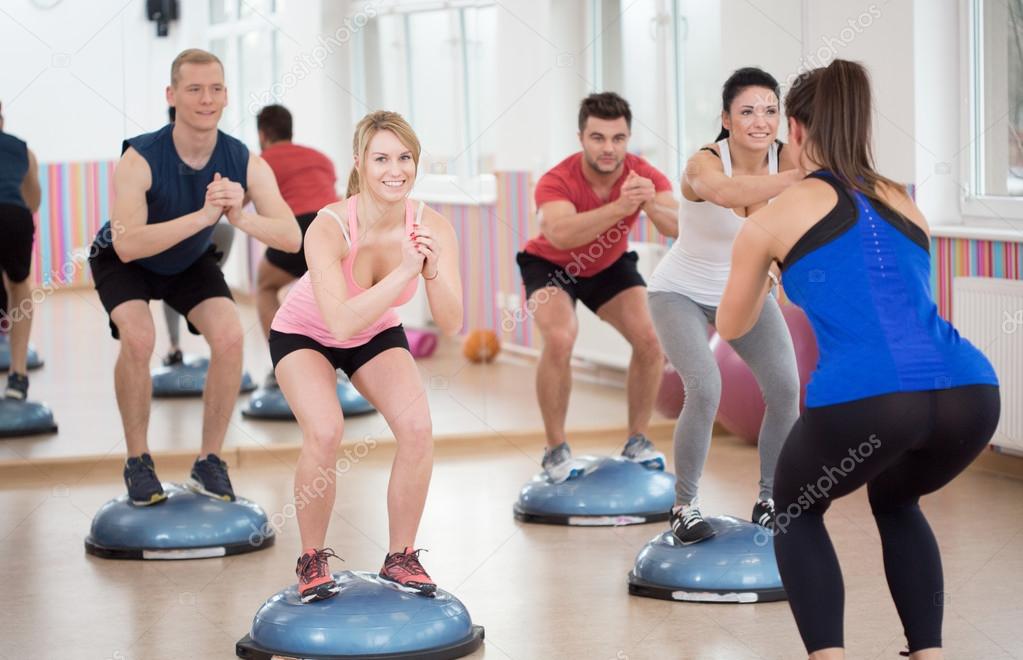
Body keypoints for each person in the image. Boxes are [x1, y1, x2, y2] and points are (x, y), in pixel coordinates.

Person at [716, 60, 1000, 659]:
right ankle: (930, 653)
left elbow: (731, 325)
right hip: (970, 391)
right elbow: (904, 301)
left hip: (873, 396)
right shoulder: (904, 198)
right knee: (896, 499)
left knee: (794, 510)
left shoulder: (774, 216)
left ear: (794, 130)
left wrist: (770, 272)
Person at [88, 49, 301, 506]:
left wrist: (240, 219)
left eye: (216, 89)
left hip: (187, 260)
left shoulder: (243, 160)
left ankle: (209, 462)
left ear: (226, 96)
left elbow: (291, 237)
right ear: (172, 95)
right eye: (195, 89)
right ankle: (138, 461)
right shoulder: (140, 158)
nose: (207, 99)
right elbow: (127, 243)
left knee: (229, 337)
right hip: (125, 261)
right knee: (140, 338)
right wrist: (204, 215)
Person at [270, 111, 462, 601]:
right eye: (381, 158)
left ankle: (401, 557)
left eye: (404, 158)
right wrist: (404, 273)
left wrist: (432, 269)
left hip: (374, 331)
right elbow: (339, 323)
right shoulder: (329, 227)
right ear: (359, 163)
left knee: (418, 429)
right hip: (305, 332)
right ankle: (311, 558)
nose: (394, 170)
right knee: (326, 429)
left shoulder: (431, 223)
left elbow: (453, 322)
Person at [646, 67, 804, 544]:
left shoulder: (788, 158)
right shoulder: (704, 164)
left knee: (785, 391)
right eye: (748, 111)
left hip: (748, 293)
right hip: (680, 293)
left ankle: (770, 498)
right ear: (726, 118)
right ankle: (684, 506)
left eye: (771, 111)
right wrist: (806, 178)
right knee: (705, 387)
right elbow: (729, 195)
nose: (761, 121)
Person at [517, 92, 678, 483]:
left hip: (608, 264)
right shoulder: (557, 179)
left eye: (618, 138)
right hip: (552, 264)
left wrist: (651, 204)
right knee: (559, 338)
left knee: (651, 340)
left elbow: (676, 227)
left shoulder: (643, 174)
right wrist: (621, 209)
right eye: (598, 138)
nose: (609, 148)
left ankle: (637, 440)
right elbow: (559, 234)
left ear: (628, 139)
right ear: (581, 138)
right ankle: (555, 450)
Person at [255, 104, 339, 388]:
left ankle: (284, 363)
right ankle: (333, 363)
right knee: (324, 290)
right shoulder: (321, 158)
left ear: (263, 134)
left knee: (265, 287)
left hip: (299, 228)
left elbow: (239, 201)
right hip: (334, 229)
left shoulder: (262, 161)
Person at [160, 104, 236, 368]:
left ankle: (181, 336)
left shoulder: (211, 151)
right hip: (181, 236)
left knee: (185, 279)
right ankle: (176, 344)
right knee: (176, 279)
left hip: (204, 234)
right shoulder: (161, 154)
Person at [0, 101, 42, 400]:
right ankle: (18, 377)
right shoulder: (22, 150)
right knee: (20, 286)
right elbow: (33, 201)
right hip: (14, 217)